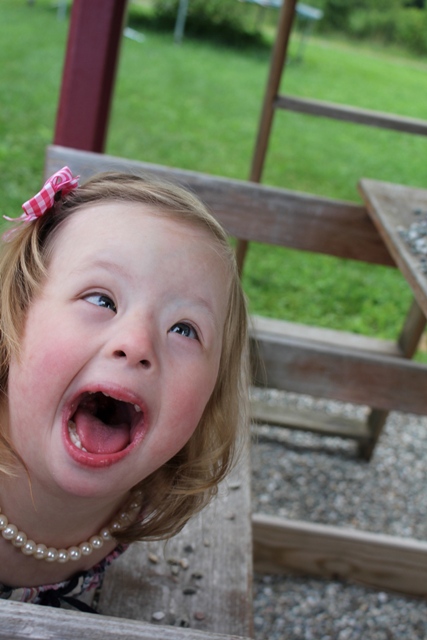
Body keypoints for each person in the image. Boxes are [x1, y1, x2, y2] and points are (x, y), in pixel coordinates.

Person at [0, 167, 249, 609]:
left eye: (184, 329)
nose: (136, 346)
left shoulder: (141, 501)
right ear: (15, 314)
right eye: (102, 300)